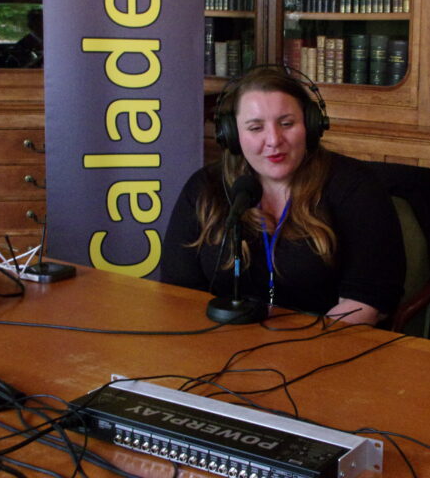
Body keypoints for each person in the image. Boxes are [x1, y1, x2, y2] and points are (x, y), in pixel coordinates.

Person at [160, 66, 405, 325]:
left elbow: (367, 301)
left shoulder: (355, 186)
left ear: (310, 125)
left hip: (325, 341)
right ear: (231, 134)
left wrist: (307, 346)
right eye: (256, 128)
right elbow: (179, 290)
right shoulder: (205, 187)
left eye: (287, 124)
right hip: (220, 340)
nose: (274, 140)